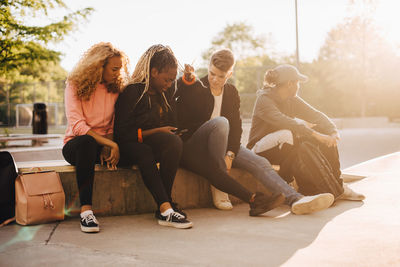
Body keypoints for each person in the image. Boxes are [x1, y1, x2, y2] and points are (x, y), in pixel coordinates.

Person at [175, 49, 334, 215]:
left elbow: (236, 128)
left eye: (220, 76)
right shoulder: (196, 87)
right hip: (197, 145)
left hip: (224, 145)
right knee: (220, 123)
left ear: (229, 74)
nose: (214, 79)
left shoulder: (231, 93)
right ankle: (218, 185)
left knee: (261, 163)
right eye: (211, 73)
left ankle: (296, 199)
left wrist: (230, 154)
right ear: (208, 67)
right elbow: (178, 100)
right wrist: (185, 81)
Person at [247, 64, 365, 201]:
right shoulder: (264, 100)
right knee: (289, 133)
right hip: (259, 151)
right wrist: (316, 136)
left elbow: (315, 115)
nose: (299, 86)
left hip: (285, 147)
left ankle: (337, 185)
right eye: (298, 83)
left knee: (316, 131)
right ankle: (291, 184)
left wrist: (332, 132)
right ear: (290, 84)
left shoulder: (292, 99)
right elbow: (286, 122)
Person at [114, 44, 192, 229]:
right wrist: (157, 131)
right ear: (154, 71)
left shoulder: (164, 94)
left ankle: (165, 205)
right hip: (128, 147)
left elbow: (172, 124)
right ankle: (166, 207)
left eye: (172, 80)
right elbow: (122, 134)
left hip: (149, 144)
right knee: (144, 151)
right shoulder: (132, 92)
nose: (169, 84)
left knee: (174, 142)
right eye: (167, 79)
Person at [62, 42, 129, 233]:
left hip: (104, 144)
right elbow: (77, 126)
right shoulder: (74, 84)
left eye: (120, 69)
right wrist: (109, 143)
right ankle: (86, 212)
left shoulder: (117, 88)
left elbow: (115, 123)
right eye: (114, 69)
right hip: (76, 145)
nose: (118, 73)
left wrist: (109, 144)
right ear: (99, 66)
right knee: (87, 142)